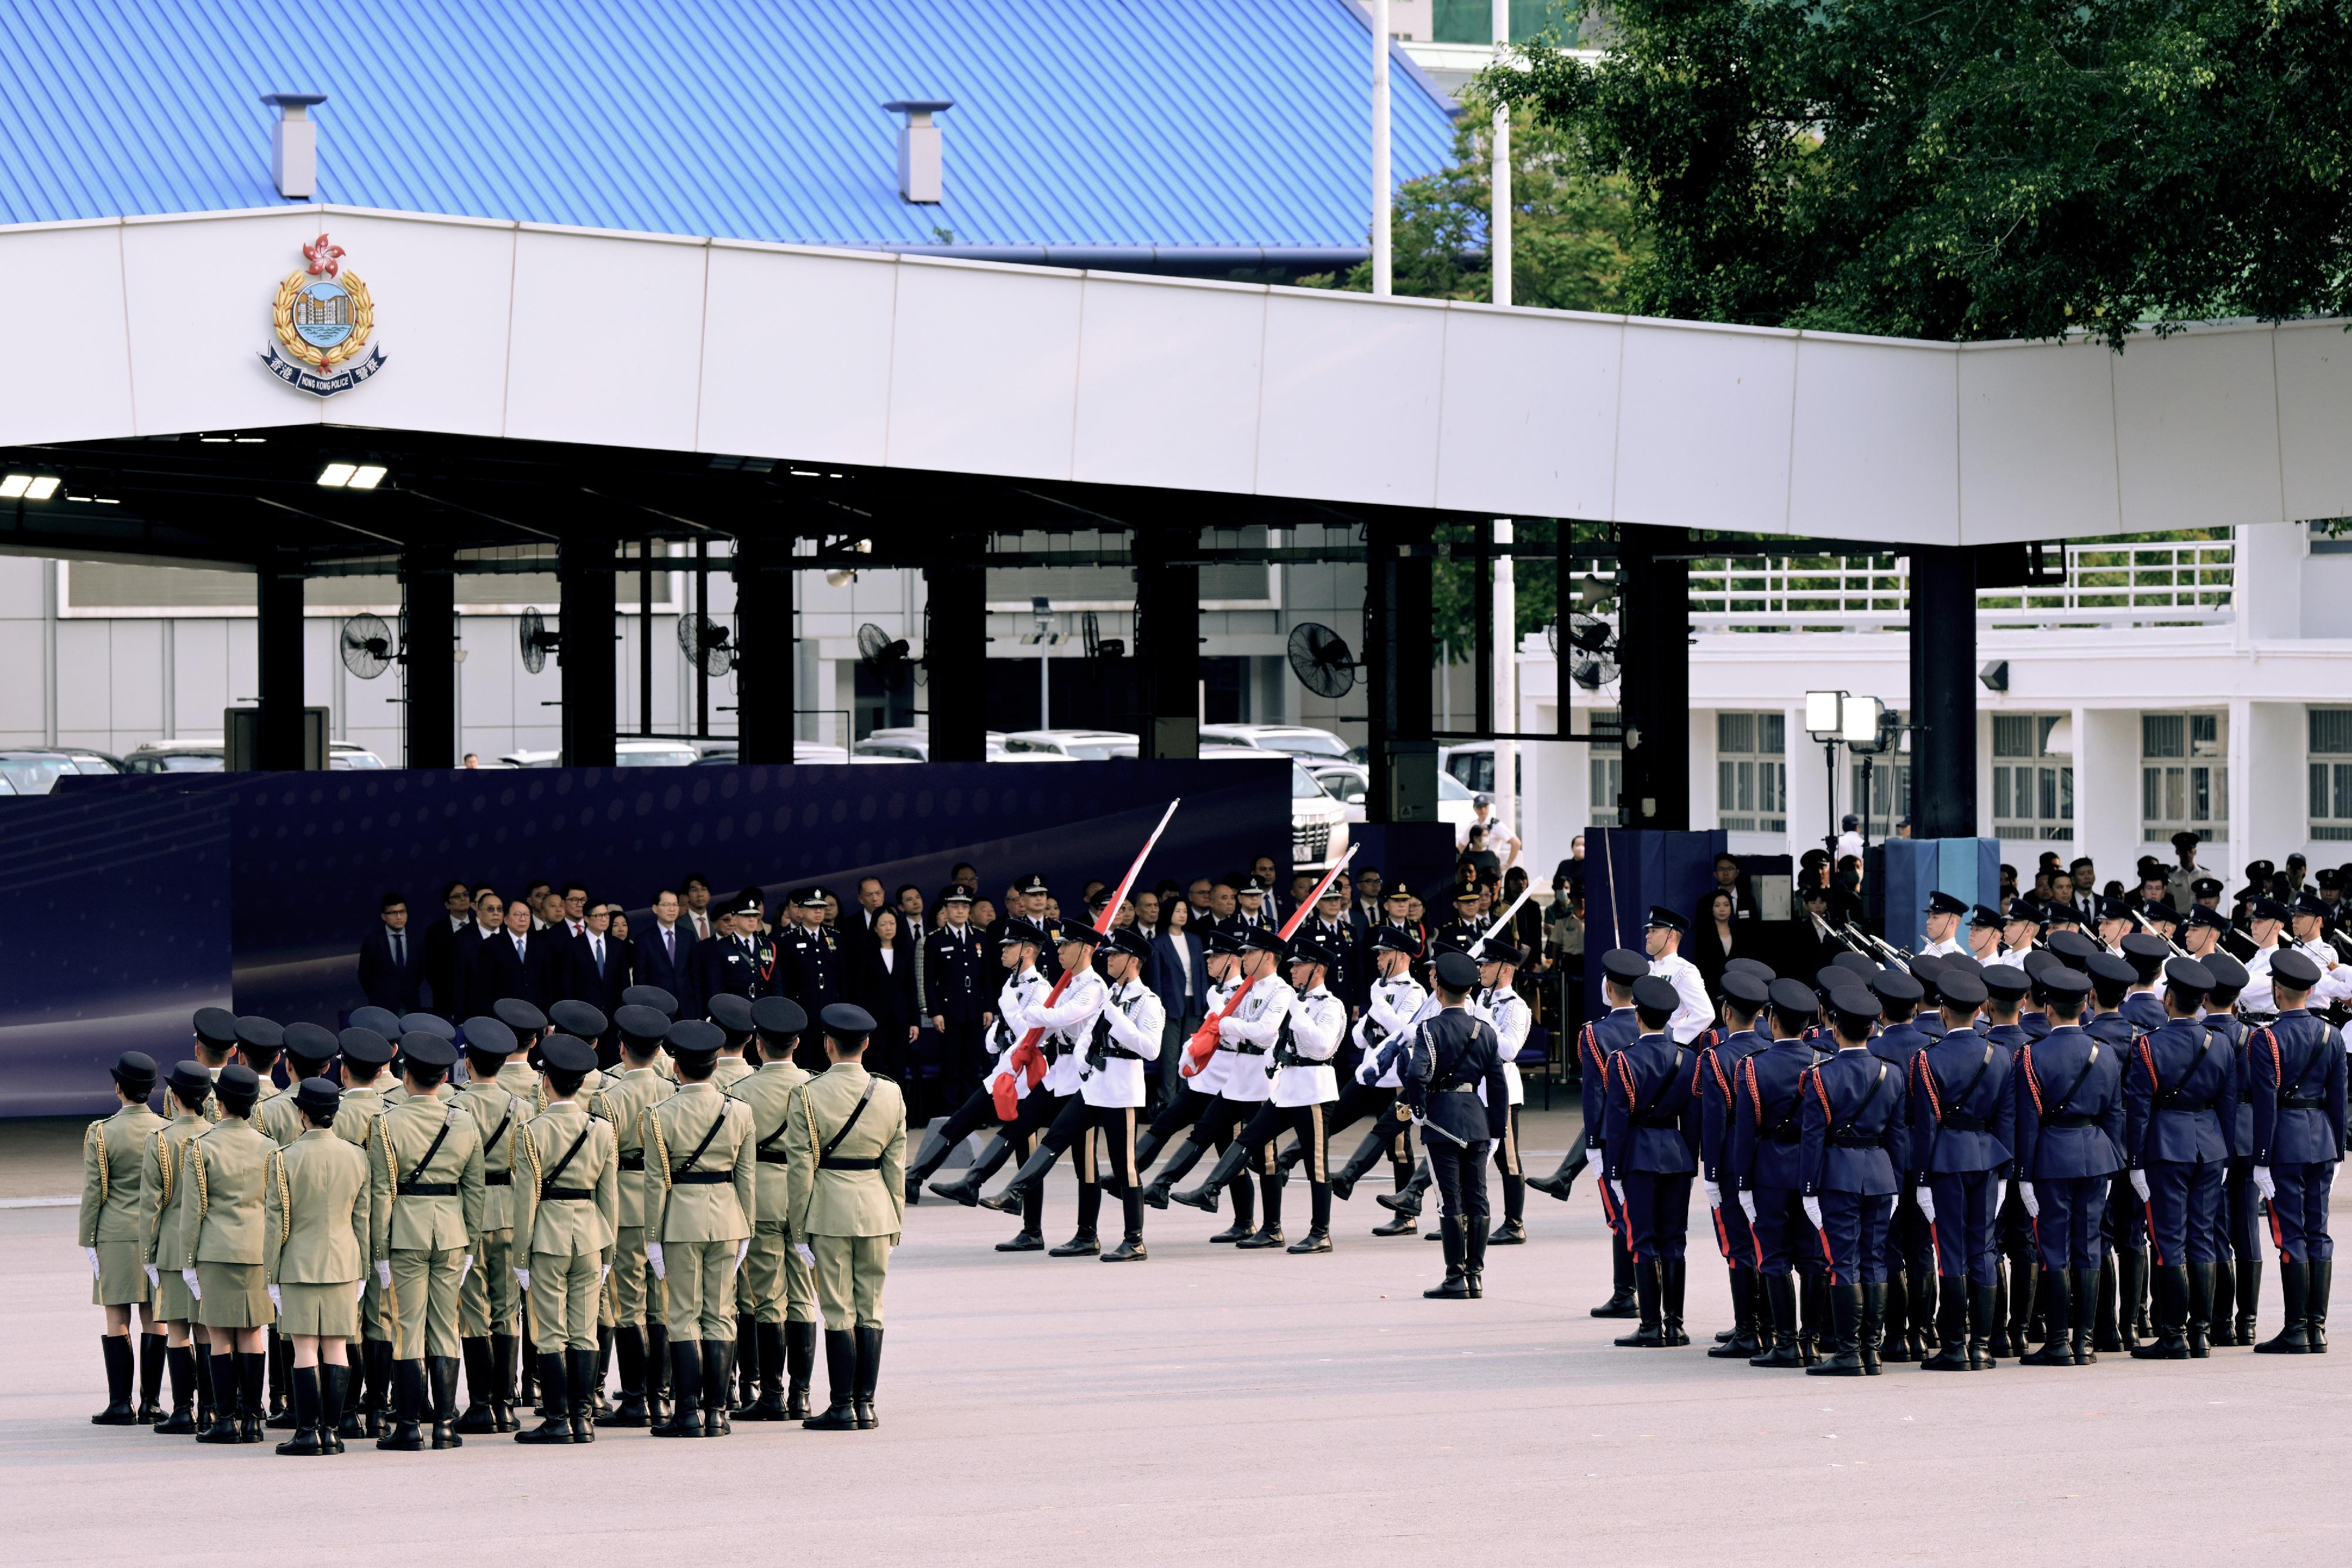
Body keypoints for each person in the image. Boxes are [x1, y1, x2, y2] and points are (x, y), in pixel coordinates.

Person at [986, 926, 1165, 1261]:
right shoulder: (1108, 995)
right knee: (1055, 1138)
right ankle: (1016, 1193)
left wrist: (1116, 1017)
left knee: (1123, 1165)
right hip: (1092, 1086)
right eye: (1108, 954)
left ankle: (1135, 1240)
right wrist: (1083, 1065)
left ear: (1134, 961)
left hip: (1121, 1092)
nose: (1109, 959)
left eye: (1116, 955)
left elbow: (1151, 1049)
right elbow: (1085, 1038)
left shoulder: (1147, 1001)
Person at [1172, 932, 1343, 1253]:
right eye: (1292, 964)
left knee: (1315, 1164)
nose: (1292, 969)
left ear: (1318, 970)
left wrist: (1298, 1010)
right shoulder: (1296, 1000)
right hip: (1286, 1088)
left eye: (1300, 964)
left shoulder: (1329, 1005)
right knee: (1247, 1140)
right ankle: (1212, 1190)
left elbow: (1321, 1045)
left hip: (1314, 1091)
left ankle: (1320, 1233)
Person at [788, 1002, 908, 1430]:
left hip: (830, 1208)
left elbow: (801, 1168)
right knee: (872, 1307)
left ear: (828, 1044)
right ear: (868, 1043)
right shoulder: (890, 1092)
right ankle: (866, 1404)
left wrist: (799, 1225)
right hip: (877, 1207)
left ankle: (843, 1405)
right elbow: (896, 1164)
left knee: (838, 1308)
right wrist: (896, 1216)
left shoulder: (808, 1093)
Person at [368, 1032, 487, 1449]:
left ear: (406, 1076)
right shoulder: (465, 1120)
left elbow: (383, 1192)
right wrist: (470, 1241)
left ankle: (407, 1426)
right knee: (445, 1324)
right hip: (452, 1230)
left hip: (406, 1230)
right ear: (443, 1078)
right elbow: (475, 1190)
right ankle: (444, 1425)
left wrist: (379, 1248)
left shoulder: (386, 1122)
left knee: (407, 1328)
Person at [642, 1017, 756, 1437]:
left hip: (682, 1221)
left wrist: (652, 1237)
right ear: (714, 1066)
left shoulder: (659, 1115)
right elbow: (747, 1177)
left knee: (685, 1315)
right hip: (728, 1217)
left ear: (676, 1068)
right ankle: (718, 1412)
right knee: (721, 1314)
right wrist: (747, 1226)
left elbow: (656, 1184)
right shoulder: (739, 1111)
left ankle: (688, 1411)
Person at [507, 1033, 619, 1445]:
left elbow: (526, 1200)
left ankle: (558, 1419)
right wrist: (608, 1249)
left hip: (549, 1235)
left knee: (552, 1331)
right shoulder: (602, 1130)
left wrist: (521, 1255)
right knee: (585, 1329)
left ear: (546, 1082)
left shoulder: (531, 1131)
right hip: (590, 1233)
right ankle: (583, 1417)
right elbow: (609, 1194)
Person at [2012, 968, 2124, 1366]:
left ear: (2047, 1008)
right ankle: (2086, 1342)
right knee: (2089, 1246)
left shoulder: (2031, 1054)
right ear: (2084, 1004)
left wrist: (2024, 1173)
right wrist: (2114, 1160)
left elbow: (2027, 1121)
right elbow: (2115, 1114)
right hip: (2096, 1154)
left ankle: (2060, 1340)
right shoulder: (2105, 1050)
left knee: (2055, 1249)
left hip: (2052, 1158)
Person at [1385, 950, 1508, 1300]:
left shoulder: (1430, 1028)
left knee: (1448, 1202)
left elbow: (1415, 1074)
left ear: (1439, 990)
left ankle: (1456, 1277)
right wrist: (1497, 1130)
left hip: (1442, 1121)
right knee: (1478, 1198)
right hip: (1476, 1119)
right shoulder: (1485, 1032)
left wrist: (1421, 1111)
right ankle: (1476, 1275)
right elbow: (1497, 1085)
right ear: (1469, 991)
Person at [1795, 987, 1905, 1376]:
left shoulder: (1821, 1076)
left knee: (1844, 1262)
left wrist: (1808, 1188)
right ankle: (1870, 1351)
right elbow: (1898, 1136)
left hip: (1839, 1175)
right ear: (1873, 1028)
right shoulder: (1891, 1072)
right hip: (1879, 1173)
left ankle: (1847, 1352)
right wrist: (1898, 1181)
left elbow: (1813, 1138)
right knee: (1875, 1260)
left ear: (1836, 1029)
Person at [1908, 969, 2013, 1369]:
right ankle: (1982, 1346)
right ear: (1980, 1010)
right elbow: (2005, 1118)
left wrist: (1921, 1178)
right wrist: (2005, 1170)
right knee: (1983, 1248)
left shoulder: (1928, 1059)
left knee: (1951, 1249)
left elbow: (1927, 1125)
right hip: (1987, 1156)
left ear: (1944, 1012)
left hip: (1948, 1158)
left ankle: (1955, 1345)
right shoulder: (2000, 1054)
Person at [259, 1076, 370, 1456]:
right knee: (338, 1346)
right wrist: (364, 1268)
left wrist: (271, 1272)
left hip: (299, 1262)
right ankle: (333, 1432)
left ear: (301, 1113)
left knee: (305, 1348)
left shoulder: (284, 1157)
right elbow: (363, 1217)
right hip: (344, 1260)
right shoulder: (356, 1155)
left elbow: (276, 1222)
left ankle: (308, 1432)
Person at [1132, 929, 1261, 1242]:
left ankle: (1245, 1221)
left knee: (1226, 1150)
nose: (1209, 962)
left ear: (1233, 960)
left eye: (1215, 957)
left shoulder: (1247, 993)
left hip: (1229, 1081)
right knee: (1165, 1122)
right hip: (1205, 1078)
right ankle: (1134, 1172)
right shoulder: (1216, 993)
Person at [2247, 950, 2344, 1353]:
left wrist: (2262, 1157)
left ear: (2277, 990)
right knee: (2318, 1231)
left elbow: (2265, 1104)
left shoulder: (2266, 1037)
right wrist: (2337, 1150)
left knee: (2291, 1233)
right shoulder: (2331, 1035)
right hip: (2321, 1137)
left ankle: (2296, 1328)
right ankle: (2317, 1328)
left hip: (2285, 1141)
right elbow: (2338, 1099)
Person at [727, 997, 818, 1420]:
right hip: (806, 1196)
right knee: (803, 1295)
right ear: (797, 1042)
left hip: (760, 1194)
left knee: (768, 1298)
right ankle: (802, 1394)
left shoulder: (740, 1091)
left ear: (758, 1044)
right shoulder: (814, 1085)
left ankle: (771, 1395)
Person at [586, 1004, 676, 1427]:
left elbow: (602, 1163)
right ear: (659, 1050)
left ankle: (638, 1398)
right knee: (662, 1303)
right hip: (668, 1203)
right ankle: (661, 1396)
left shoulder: (608, 1097)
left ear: (621, 1048)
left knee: (628, 1306)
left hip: (624, 1205)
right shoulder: (673, 1090)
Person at [1599, 975, 1701, 1345]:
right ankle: (1675, 1324)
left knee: (1643, 1239)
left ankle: (1649, 1326)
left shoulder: (1623, 1060)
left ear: (1639, 1016)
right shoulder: (1688, 1059)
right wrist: (1691, 1159)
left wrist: (1614, 1169)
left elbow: (1618, 1118)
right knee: (1675, 1239)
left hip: (1639, 1155)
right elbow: (1692, 1119)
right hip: (1676, 1152)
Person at [181, 1064, 278, 1442]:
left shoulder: (201, 1146)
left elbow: (193, 1212)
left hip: (216, 1249)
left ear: (218, 1103)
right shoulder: (271, 1147)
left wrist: (188, 1261)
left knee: (220, 1336)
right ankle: (253, 1420)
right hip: (258, 1249)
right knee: (253, 1333)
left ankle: (225, 1420)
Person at [450, 1015, 528, 1433]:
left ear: (469, 1061)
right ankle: (505, 1403)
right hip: (511, 1209)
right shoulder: (522, 1105)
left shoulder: (456, 1105)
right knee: (507, 1307)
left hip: (473, 1208)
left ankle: (482, 1404)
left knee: (475, 1308)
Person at [82, 1051, 166, 1426]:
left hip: (115, 1235)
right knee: (155, 1317)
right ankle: (151, 1403)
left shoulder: (102, 1131)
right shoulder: (165, 1129)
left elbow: (94, 1191)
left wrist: (88, 1239)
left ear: (119, 1089)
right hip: (156, 1234)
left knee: (117, 1317)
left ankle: (120, 1404)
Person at [1694, 972, 1772, 1359]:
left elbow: (1712, 1119)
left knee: (1737, 1244)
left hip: (1729, 1161)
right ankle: (1769, 1325)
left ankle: (1748, 1329)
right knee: (1767, 1241)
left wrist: (1709, 1172)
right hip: (1768, 1159)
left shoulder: (1716, 1056)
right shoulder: (1770, 1049)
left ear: (1726, 1011)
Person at [1478, 940, 1534, 1246]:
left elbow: (1509, 1050)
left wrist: (1484, 1020)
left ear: (1506, 970)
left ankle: (1514, 1223)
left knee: (1507, 1159)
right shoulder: (1479, 1001)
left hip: (1503, 1091)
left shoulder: (1516, 1007)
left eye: (1488, 964)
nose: (1482, 969)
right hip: (1478, 1090)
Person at [923, 888, 991, 1098]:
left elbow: (986, 977)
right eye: (954, 906)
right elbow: (930, 980)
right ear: (946, 909)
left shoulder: (979, 937)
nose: (960, 911)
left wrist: (988, 1007)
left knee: (972, 1063)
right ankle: (951, 1112)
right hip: (949, 1010)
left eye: (964, 906)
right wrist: (935, 1012)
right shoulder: (935, 940)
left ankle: (970, 1113)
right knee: (951, 1062)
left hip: (974, 1009)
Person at [1148, 896, 1208, 1100]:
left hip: (1194, 1003)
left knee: (1189, 1054)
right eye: (1178, 911)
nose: (1182, 915)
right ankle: (1169, 1100)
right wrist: (1158, 1007)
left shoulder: (1194, 940)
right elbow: (1156, 980)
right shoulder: (1159, 942)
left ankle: (1186, 1099)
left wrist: (1204, 1003)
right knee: (1170, 1055)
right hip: (1170, 1005)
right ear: (1169, 914)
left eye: (1185, 911)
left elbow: (1201, 974)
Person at [779, 888, 845, 1067]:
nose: (818, 912)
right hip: (803, 1010)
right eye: (813, 907)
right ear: (801, 911)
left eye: (821, 908)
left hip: (830, 1009)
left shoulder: (835, 938)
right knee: (805, 1060)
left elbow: (843, 976)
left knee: (830, 1060)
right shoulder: (788, 940)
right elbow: (785, 980)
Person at [856, 907, 920, 1087]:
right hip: (875, 1020)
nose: (888, 927)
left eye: (892, 923)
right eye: (883, 924)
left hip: (901, 1018)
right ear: (875, 928)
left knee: (898, 1066)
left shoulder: (905, 952)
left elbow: (911, 988)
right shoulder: (866, 954)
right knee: (874, 1064)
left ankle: (896, 1106)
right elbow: (861, 990)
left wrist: (915, 1021)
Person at [473, 894, 560, 1012]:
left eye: (527, 915)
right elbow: (485, 986)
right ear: (506, 919)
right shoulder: (491, 945)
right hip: (505, 1013)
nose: (523, 919)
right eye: (518, 915)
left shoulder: (542, 944)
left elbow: (549, 984)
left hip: (537, 1014)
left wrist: (549, 1020)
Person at [358, 892, 426, 1015]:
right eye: (393, 913)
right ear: (384, 916)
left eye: (403, 912)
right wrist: (379, 995)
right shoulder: (372, 941)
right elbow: (365, 975)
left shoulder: (417, 939)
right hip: (382, 1006)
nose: (399, 917)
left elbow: (420, 972)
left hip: (411, 1004)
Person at [566, 900, 630, 1017]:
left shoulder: (617, 945)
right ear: (586, 919)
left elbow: (624, 982)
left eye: (606, 915)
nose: (604, 919)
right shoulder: (573, 946)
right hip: (583, 1013)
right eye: (599, 916)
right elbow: (568, 984)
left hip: (614, 1014)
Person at [1689, 888, 1740, 998]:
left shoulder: (1739, 933)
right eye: (1717, 905)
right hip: (1712, 989)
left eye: (1726, 905)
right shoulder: (1704, 935)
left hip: (1736, 988)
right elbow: (1702, 963)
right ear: (1712, 909)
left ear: (1731, 908)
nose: (1722, 909)